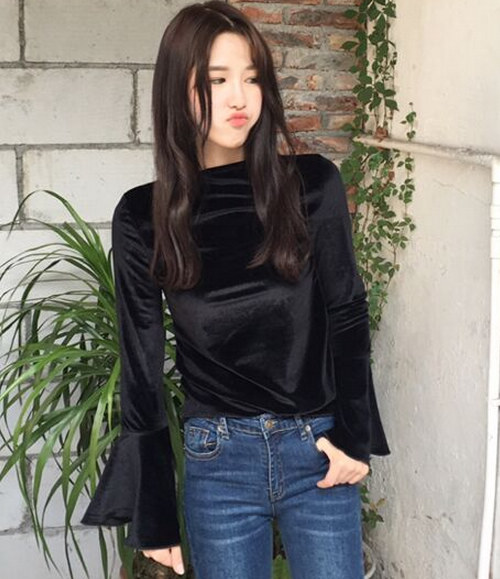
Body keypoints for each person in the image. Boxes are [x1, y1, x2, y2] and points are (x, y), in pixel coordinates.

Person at [81, 1, 391, 577]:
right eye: (216, 80)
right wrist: (154, 512)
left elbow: (347, 310)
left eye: (252, 78)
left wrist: (355, 436)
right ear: (177, 91)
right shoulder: (144, 216)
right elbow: (141, 364)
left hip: (318, 450)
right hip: (217, 461)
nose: (239, 98)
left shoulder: (312, 185)